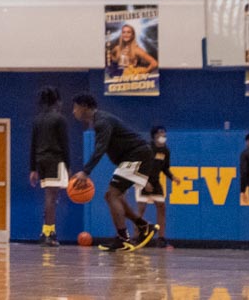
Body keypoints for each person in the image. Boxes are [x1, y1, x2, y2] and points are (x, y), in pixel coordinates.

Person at [70, 93, 158, 250]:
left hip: (137, 155)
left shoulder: (101, 121)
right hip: (135, 157)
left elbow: (100, 148)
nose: (73, 111)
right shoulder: (100, 120)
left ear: (84, 107)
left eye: (75, 107)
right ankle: (143, 226)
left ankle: (123, 239)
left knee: (112, 195)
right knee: (113, 196)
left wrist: (85, 172)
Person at [28, 86, 71, 246]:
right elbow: (64, 144)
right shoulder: (60, 119)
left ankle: (47, 231)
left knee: (50, 197)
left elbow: (33, 145)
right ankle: (48, 233)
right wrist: (68, 165)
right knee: (51, 198)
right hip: (55, 160)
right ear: (57, 101)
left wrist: (33, 169)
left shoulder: (37, 120)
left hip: (41, 161)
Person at [139, 125, 179, 246]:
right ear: (154, 136)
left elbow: (165, 168)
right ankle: (136, 237)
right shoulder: (147, 149)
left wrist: (173, 177)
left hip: (155, 182)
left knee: (162, 207)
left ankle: (161, 238)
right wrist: (145, 182)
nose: (163, 135)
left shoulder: (165, 151)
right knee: (141, 210)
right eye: (160, 133)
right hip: (143, 180)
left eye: (164, 133)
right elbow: (139, 167)